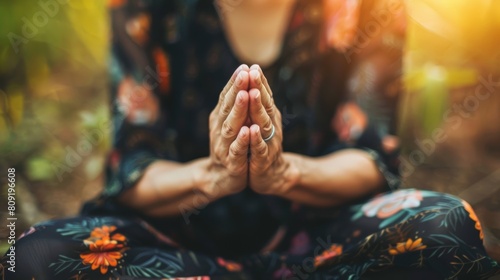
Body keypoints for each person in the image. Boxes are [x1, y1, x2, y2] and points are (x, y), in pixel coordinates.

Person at [4, 0, 499, 279]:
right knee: (34, 257)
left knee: (444, 225)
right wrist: (215, 175)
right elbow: (133, 166)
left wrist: (282, 173)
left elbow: (370, 156)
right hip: (176, 250)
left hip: (324, 245)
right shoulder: (146, 8)